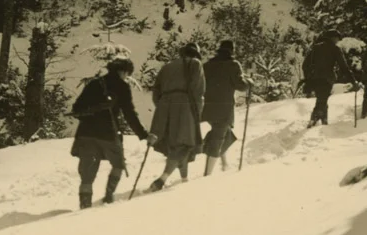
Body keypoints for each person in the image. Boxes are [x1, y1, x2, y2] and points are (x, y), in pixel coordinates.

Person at [70, 56, 155, 209]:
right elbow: (129, 113)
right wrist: (143, 134)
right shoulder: (122, 86)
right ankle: (109, 198)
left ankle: (84, 206)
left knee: (87, 175)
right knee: (118, 164)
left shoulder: (94, 83)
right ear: (122, 71)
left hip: (86, 133)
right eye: (127, 74)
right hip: (108, 133)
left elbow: (76, 109)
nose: (126, 77)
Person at [148, 42, 206, 191]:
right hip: (184, 104)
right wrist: (196, 111)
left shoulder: (167, 66)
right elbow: (198, 89)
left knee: (174, 143)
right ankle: (162, 179)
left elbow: (156, 91)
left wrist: (162, 107)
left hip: (164, 105)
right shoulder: (195, 63)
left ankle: (184, 179)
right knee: (185, 143)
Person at [201, 39, 250, 175]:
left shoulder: (207, 65)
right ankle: (207, 173)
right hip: (223, 108)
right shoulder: (233, 65)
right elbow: (241, 85)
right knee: (218, 136)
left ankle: (224, 164)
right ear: (232, 51)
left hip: (208, 106)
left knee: (224, 133)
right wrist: (248, 82)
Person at [301, 29, 355, 128]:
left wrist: (308, 77)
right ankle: (314, 118)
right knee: (322, 99)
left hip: (314, 79)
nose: (337, 41)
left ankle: (324, 120)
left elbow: (305, 65)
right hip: (327, 79)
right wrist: (352, 80)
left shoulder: (315, 48)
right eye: (337, 39)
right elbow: (344, 67)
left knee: (322, 98)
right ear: (333, 38)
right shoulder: (335, 49)